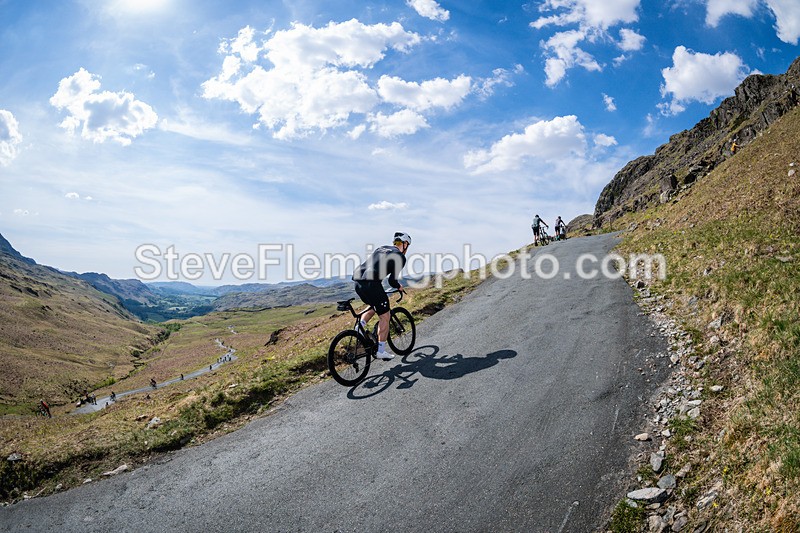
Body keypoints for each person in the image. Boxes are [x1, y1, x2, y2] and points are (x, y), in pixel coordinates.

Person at [352, 232, 411, 360]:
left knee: (375, 305)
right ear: (405, 244)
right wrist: (399, 286)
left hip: (358, 281)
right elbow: (392, 281)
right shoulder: (400, 256)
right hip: (371, 283)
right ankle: (381, 351)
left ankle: (360, 326)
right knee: (385, 316)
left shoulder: (381, 248)